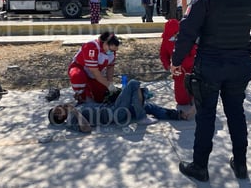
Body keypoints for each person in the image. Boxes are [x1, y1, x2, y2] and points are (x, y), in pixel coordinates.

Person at [171, 0, 251, 181]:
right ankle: (241, 165)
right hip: (239, 64)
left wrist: (176, 61)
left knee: (206, 116)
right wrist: (249, 48)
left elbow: (187, 31)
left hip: (210, 65)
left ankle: (200, 167)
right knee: (236, 113)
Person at [48, 79, 186, 132]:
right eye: (58, 110)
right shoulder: (71, 120)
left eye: (58, 106)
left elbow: (92, 104)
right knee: (132, 84)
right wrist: (75, 111)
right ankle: (141, 117)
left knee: (148, 105)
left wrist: (80, 100)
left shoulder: (75, 108)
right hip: (114, 114)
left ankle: (179, 115)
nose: (60, 106)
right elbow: (86, 128)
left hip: (113, 107)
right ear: (60, 116)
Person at [68, 31, 120, 104]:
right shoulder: (91, 47)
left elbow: (110, 68)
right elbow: (95, 72)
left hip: (94, 74)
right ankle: (81, 96)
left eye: (114, 50)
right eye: (111, 50)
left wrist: (110, 83)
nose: (112, 52)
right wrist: (108, 85)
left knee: (101, 97)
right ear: (105, 43)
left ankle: (89, 91)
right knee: (77, 76)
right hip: (80, 68)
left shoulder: (111, 51)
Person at [160, 19, 197, 119]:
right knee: (181, 101)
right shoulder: (166, 40)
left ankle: (196, 95)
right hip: (178, 72)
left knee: (196, 93)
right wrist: (168, 66)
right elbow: (163, 55)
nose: (176, 34)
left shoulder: (185, 38)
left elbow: (194, 55)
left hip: (190, 69)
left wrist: (184, 64)